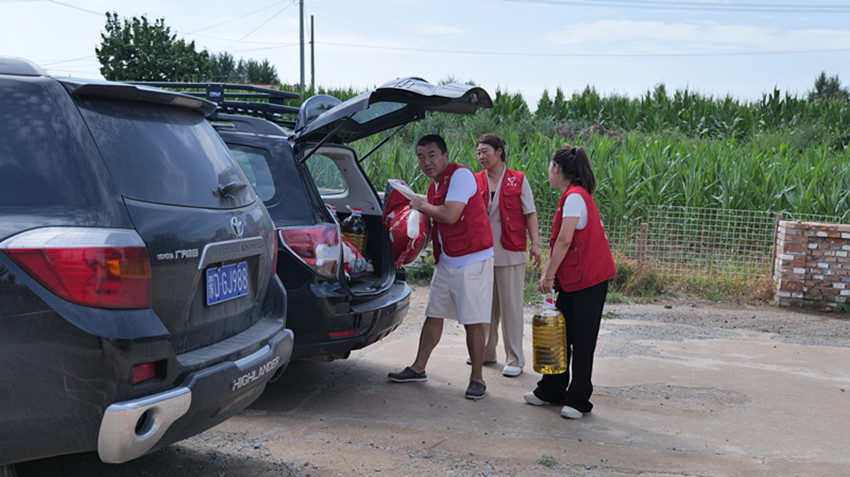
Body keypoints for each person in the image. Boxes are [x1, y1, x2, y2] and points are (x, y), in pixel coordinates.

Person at [388, 134, 495, 400]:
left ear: (445, 155)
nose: (426, 162)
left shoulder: (460, 176)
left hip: (472, 258)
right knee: (433, 314)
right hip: (448, 259)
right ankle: (418, 368)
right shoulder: (436, 184)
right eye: (421, 157)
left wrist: (422, 205)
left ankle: (477, 378)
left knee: (472, 320)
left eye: (431, 155)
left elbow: (450, 214)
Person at [524, 145, 615, 419]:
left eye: (550, 166)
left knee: (583, 341)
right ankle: (551, 389)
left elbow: (564, 241)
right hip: (574, 279)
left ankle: (578, 400)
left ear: (558, 169)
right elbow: (561, 243)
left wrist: (548, 275)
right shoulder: (571, 196)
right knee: (560, 337)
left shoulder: (575, 197)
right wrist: (549, 274)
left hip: (590, 280)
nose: (548, 171)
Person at [472, 133, 541, 377]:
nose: (481, 156)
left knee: (511, 307)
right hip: (482, 253)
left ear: (499, 151)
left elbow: (530, 213)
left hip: (510, 251)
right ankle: (486, 353)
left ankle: (515, 359)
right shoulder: (476, 180)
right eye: (478, 152)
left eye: (485, 151)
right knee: (484, 307)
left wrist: (535, 244)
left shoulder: (518, 180)